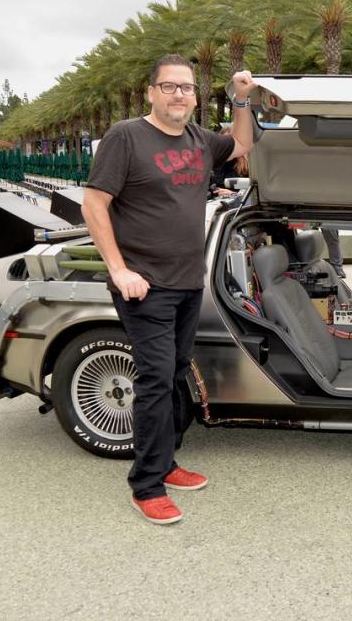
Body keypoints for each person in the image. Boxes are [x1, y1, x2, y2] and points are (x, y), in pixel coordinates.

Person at [82, 54, 258, 525]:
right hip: (145, 285)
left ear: (195, 96)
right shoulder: (126, 137)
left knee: (176, 372)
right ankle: (147, 485)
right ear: (151, 92)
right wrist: (119, 270)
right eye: (169, 86)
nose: (179, 94)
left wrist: (240, 98)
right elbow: (94, 203)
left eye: (186, 88)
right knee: (156, 381)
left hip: (186, 282)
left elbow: (242, 142)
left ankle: (166, 462)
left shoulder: (201, 140)